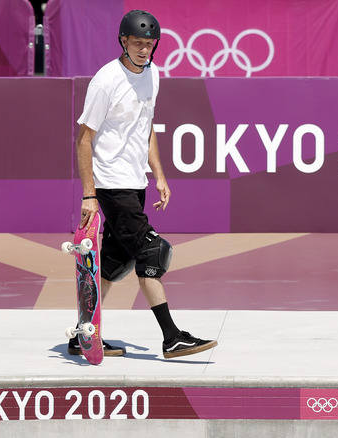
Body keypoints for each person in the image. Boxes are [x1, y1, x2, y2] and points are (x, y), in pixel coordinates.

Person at [68, 9, 217, 359]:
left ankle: (82, 335)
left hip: (135, 181)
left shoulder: (153, 74)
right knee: (152, 252)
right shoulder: (106, 81)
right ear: (123, 41)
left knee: (114, 262)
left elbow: (145, 126)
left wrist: (159, 174)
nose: (144, 50)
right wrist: (89, 194)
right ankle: (172, 337)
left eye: (149, 44)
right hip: (111, 184)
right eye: (137, 43)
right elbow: (83, 140)